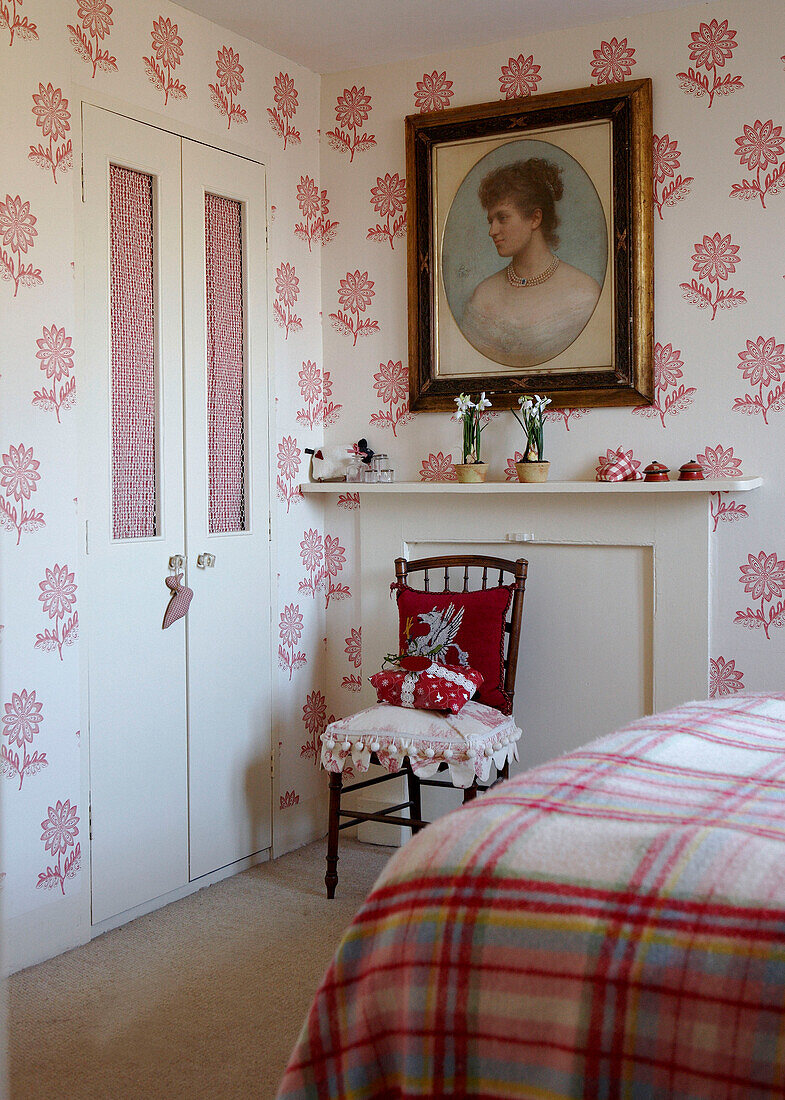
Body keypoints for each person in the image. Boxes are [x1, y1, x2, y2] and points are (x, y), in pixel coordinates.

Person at [461, 158, 602, 368]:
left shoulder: (585, 293)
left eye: (503, 218)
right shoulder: (483, 296)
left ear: (535, 219)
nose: (492, 231)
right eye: (491, 221)